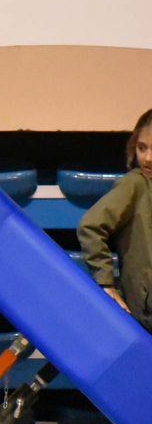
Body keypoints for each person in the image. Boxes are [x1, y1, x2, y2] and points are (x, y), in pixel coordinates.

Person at [79, 108, 152, 333]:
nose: (148, 158)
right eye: (142, 148)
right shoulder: (135, 184)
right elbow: (90, 226)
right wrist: (105, 281)